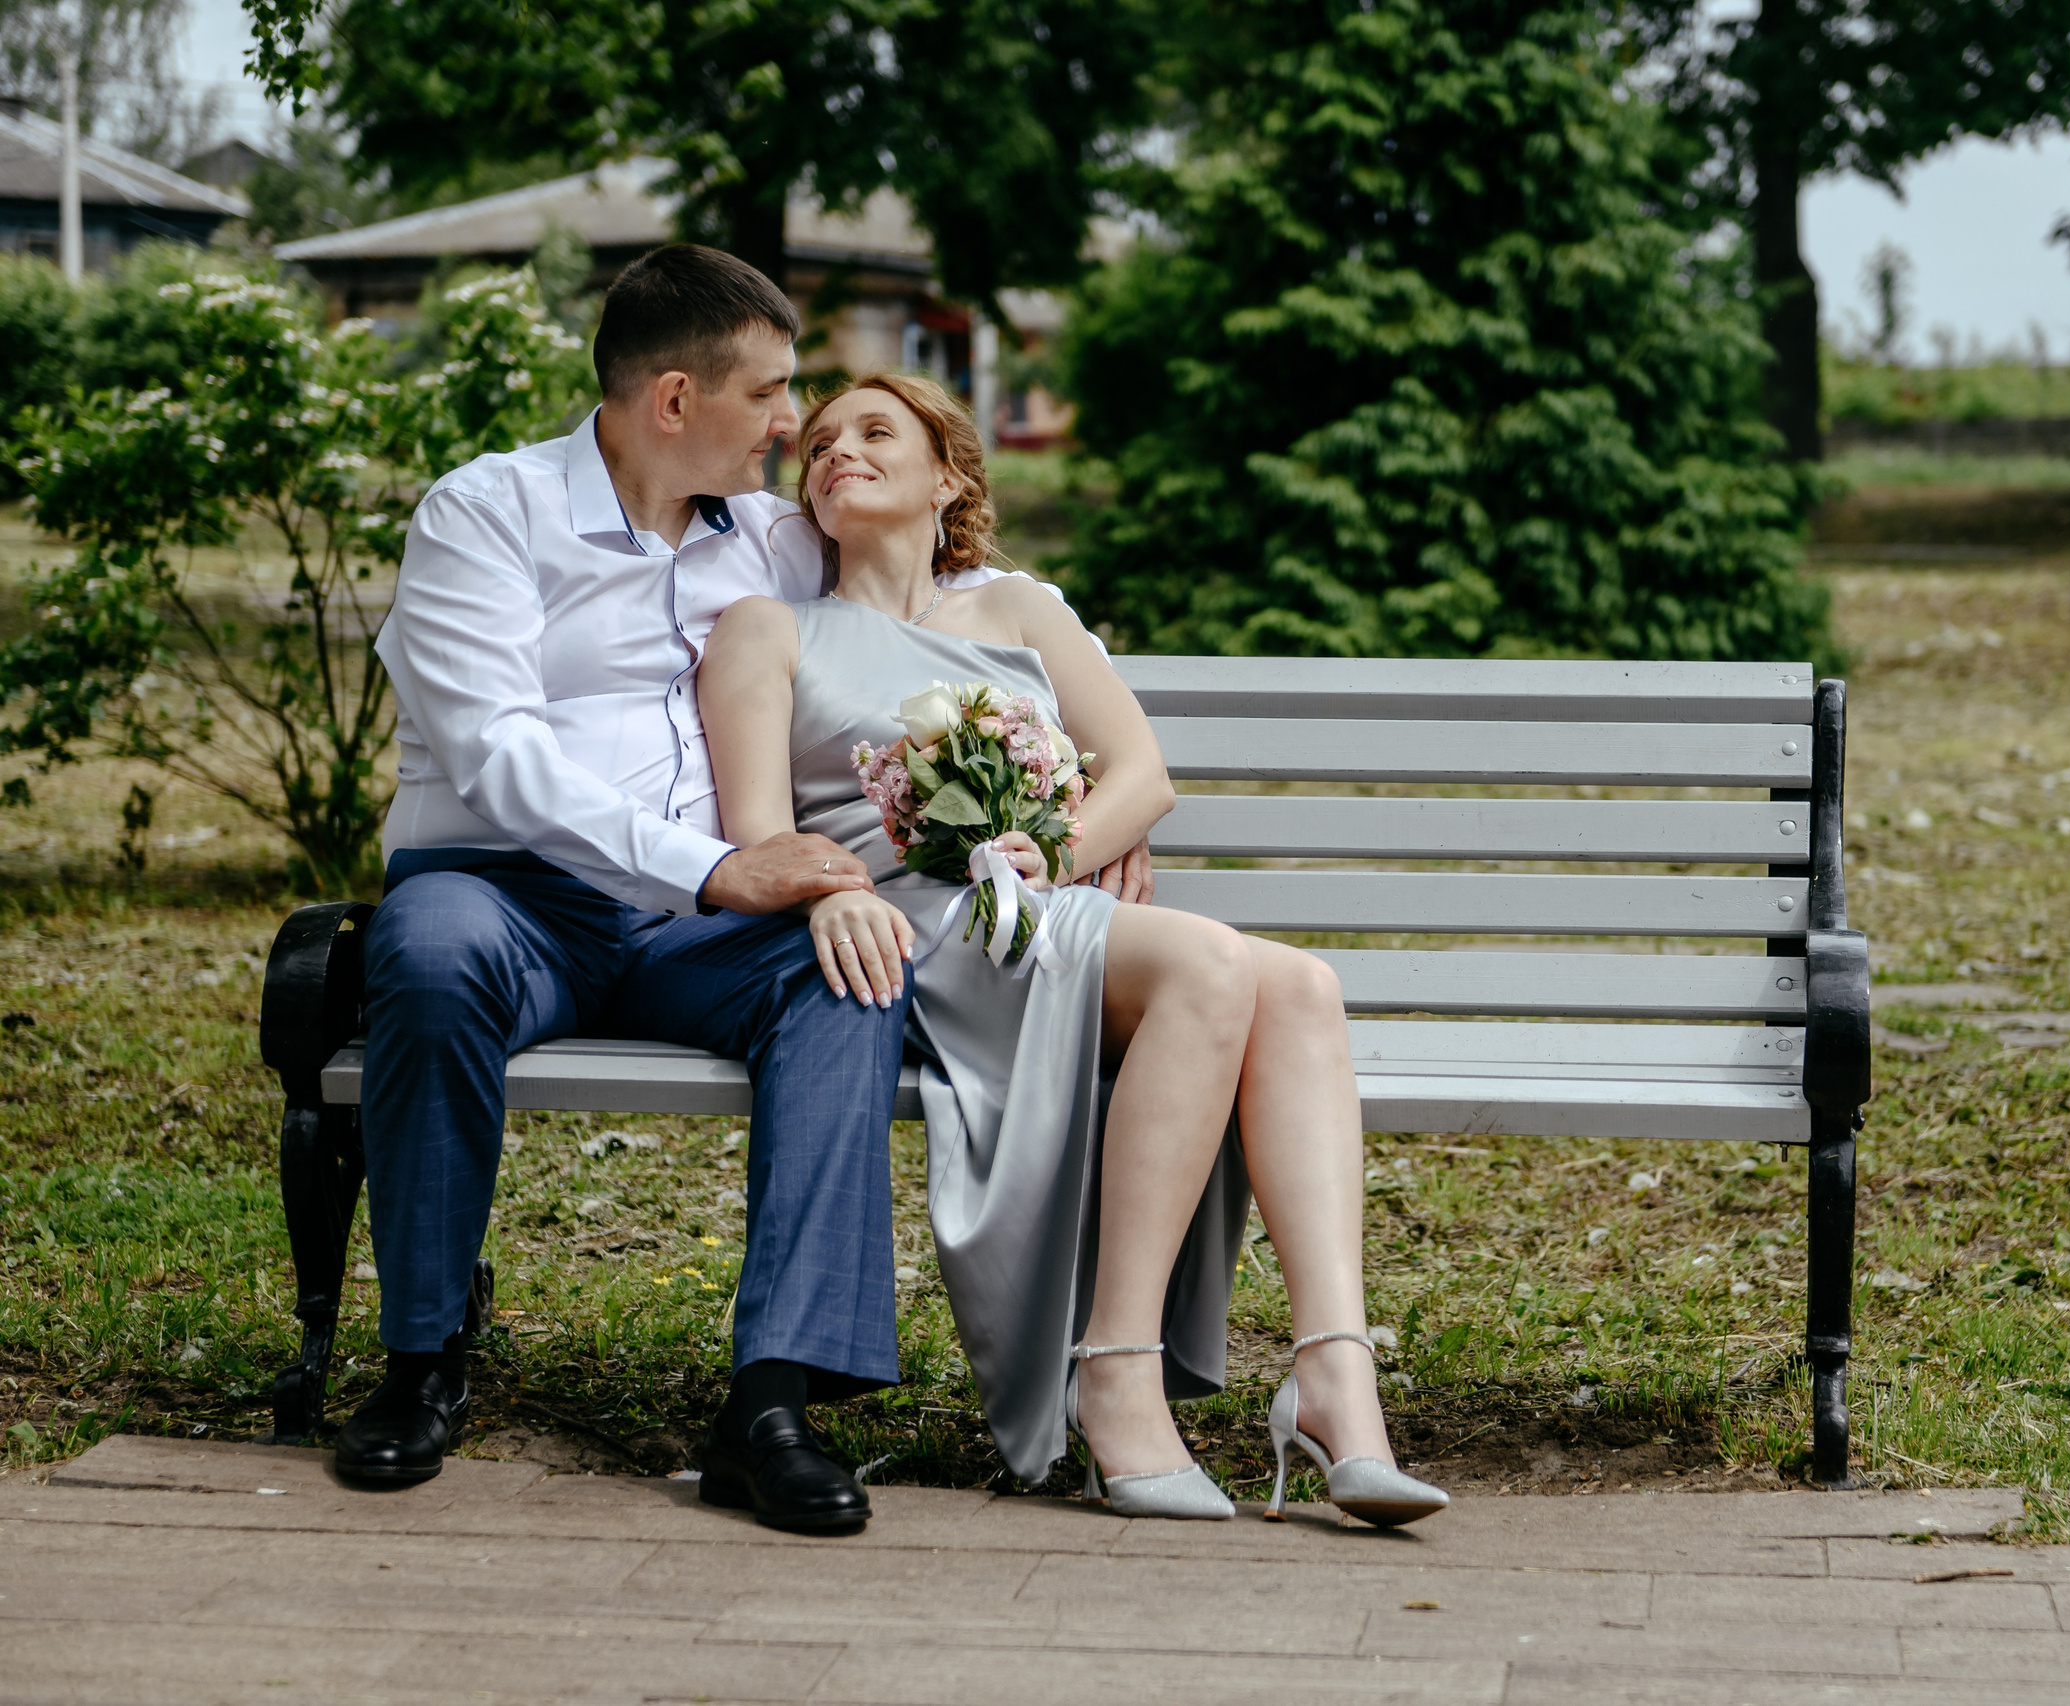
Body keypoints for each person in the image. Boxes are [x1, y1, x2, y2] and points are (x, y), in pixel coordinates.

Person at [696, 372, 1448, 1525]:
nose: (837, 449)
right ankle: (1115, 1369)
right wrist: (827, 892)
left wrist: (1057, 844)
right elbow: (758, 835)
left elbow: (1141, 771)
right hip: (909, 929)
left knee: (1301, 983)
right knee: (1211, 962)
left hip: (1028, 905)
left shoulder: (1019, 612)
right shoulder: (769, 629)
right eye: (822, 441)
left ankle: (1335, 1375)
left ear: (947, 474)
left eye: (875, 431)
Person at [344, 245, 901, 1536]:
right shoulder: (485, 513)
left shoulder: (770, 538)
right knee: (425, 962)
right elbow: (495, 753)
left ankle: (769, 1401)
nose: (788, 424)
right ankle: (423, 1357)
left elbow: (957, 595)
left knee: (852, 974)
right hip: (500, 895)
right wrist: (711, 862)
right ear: (671, 401)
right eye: (767, 395)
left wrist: (1077, 781)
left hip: (691, 927)